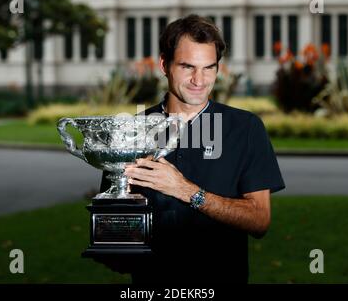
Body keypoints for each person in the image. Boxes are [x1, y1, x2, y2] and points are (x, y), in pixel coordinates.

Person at [98, 14, 285, 284]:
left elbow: (259, 221)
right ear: (165, 64)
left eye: (209, 67)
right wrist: (116, 240)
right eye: (188, 67)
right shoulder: (131, 131)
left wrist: (186, 191)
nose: (199, 79)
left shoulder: (246, 128)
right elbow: (115, 244)